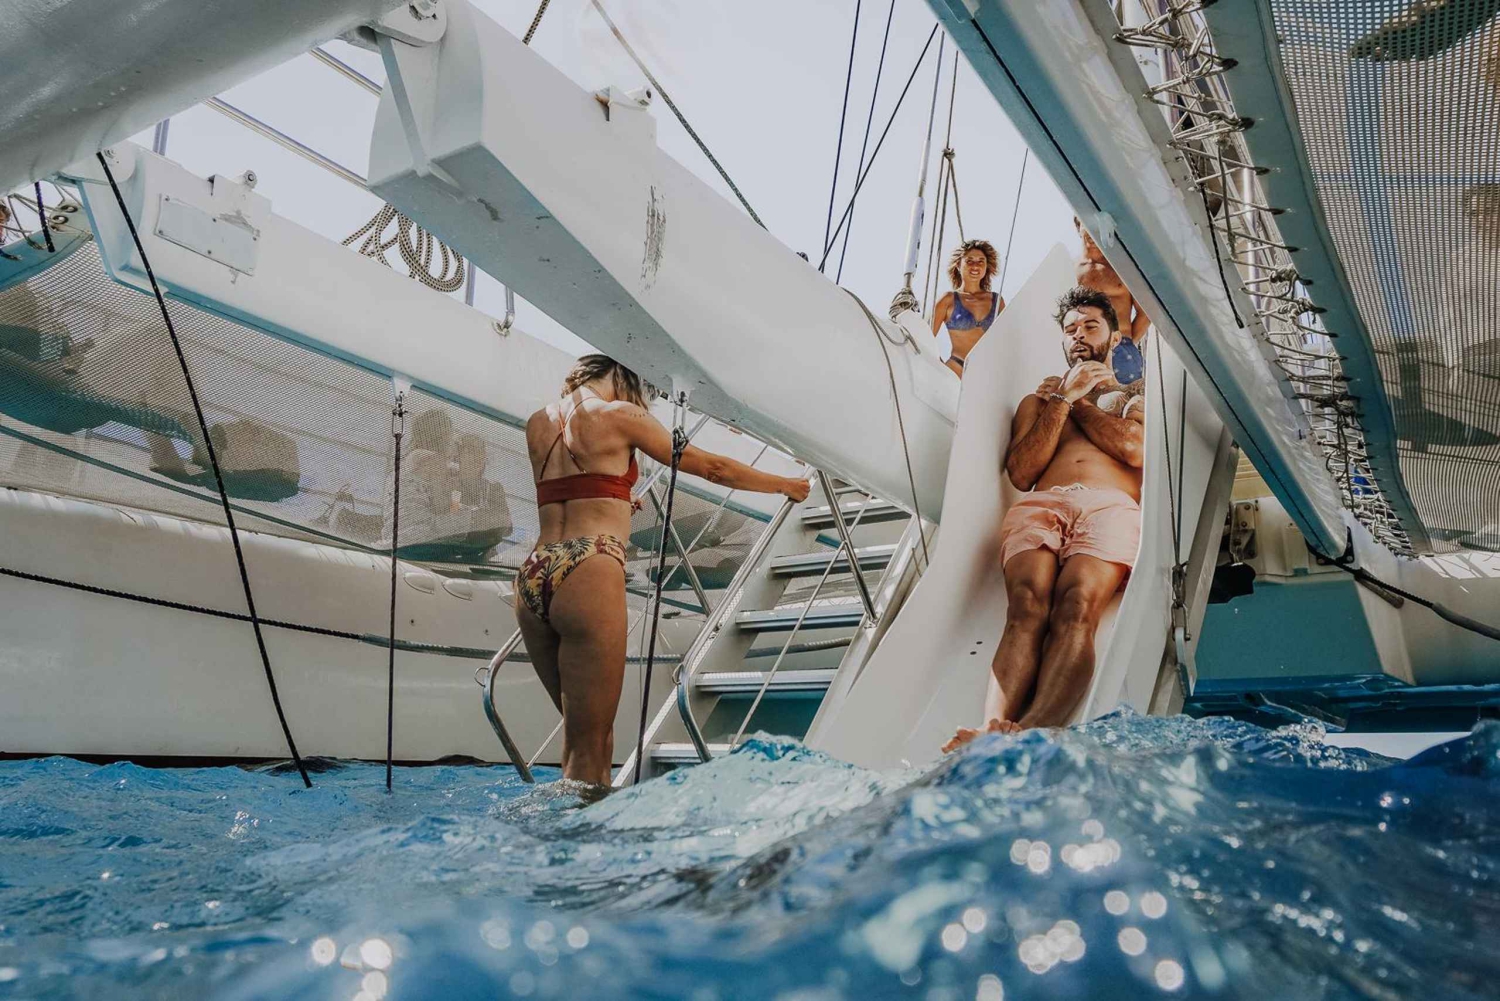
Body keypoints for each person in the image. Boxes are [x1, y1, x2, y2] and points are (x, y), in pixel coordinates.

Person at [518, 354, 810, 786]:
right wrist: (785, 484)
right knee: (594, 743)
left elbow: (571, 490)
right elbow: (713, 467)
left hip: (534, 572)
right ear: (622, 375)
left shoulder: (537, 423)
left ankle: (557, 835)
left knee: (579, 736)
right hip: (589, 567)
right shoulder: (619, 414)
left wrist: (619, 496)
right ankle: (583, 848)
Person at [945, 287, 1145, 750]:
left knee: (1075, 606)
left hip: (1108, 505)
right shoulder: (1037, 403)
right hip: (1044, 503)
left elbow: (1134, 450)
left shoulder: (1133, 395)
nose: (1078, 336)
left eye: (1089, 326)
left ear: (1114, 338)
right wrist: (1059, 402)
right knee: (1026, 606)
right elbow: (1021, 472)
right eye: (1070, 329)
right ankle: (992, 729)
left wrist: (1077, 399)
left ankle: (1032, 732)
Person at [1074, 218, 1151, 385]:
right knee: (1091, 408)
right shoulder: (1072, 269)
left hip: (1121, 347)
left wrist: (1126, 343)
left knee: (1125, 406)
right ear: (1078, 226)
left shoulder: (1122, 267)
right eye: (1086, 223)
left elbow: (1145, 313)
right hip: (1086, 350)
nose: (1092, 230)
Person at [931, 239, 1006, 377]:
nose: (975, 266)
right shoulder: (948, 300)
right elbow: (926, 338)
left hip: (986, 373)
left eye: (980, 261)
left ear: (986, 267)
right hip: (955, 369)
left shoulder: (997, 301)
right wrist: (941, 369)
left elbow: (1004, 341)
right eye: (969, 261)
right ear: (958, 265)